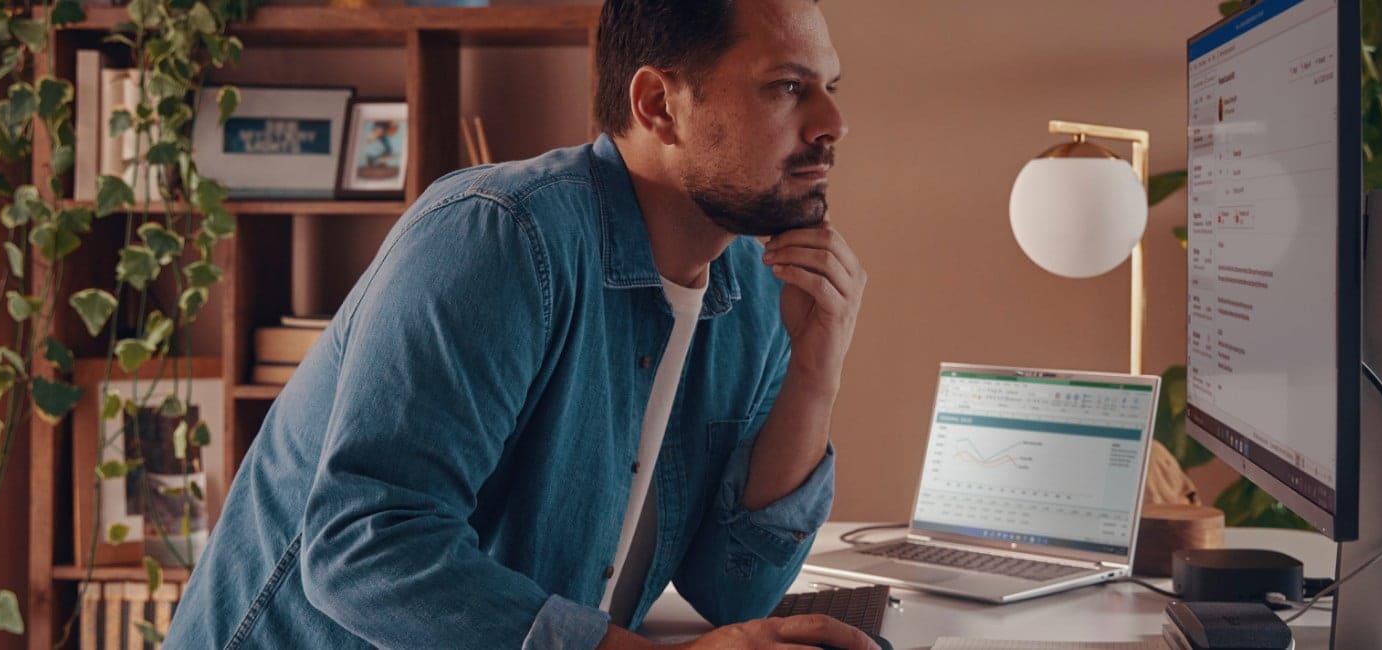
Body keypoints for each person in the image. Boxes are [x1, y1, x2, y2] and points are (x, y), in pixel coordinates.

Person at [166, 0, 876, 647]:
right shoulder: (498, 237)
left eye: (828, 88)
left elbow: (734, 591)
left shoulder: (752, 292)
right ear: (659, 104)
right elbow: (366, 547)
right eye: (787, 87)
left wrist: (814, 375)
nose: (831, 123)